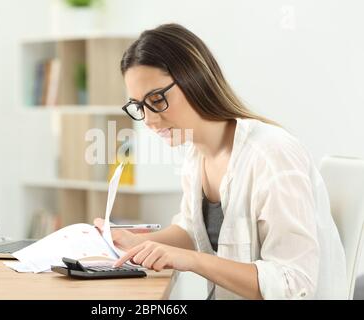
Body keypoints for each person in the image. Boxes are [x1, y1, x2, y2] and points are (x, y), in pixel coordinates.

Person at [94, 23, 347, 300]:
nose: (151, 120)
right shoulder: (196, 155)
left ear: (195, 79)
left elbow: (294, 283)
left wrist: (191, 260)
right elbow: (193, 229)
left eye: (157, 99)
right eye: (140, 106)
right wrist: (137, 243)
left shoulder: (272, 154)